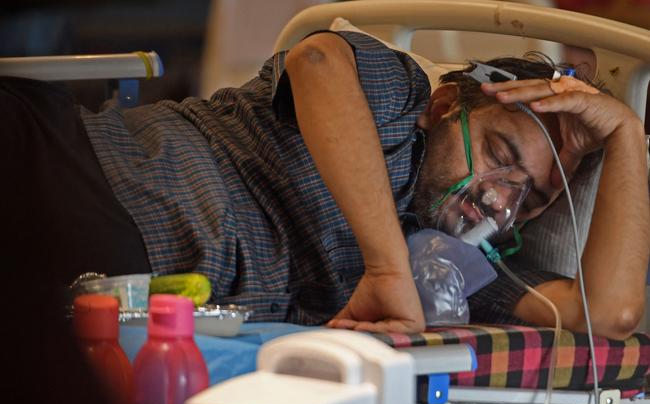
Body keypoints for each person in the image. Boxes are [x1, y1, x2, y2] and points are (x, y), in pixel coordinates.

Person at [5, 30, 648, 340]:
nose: (498, 199)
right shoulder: (400, 104)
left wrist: (624, 134)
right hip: (85, 170)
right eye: (502, 154)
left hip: (121, 272)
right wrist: (385, 265)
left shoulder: (457, 276)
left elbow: (609, 316)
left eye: (528, 199)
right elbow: (315, 60)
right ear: (450, 103)